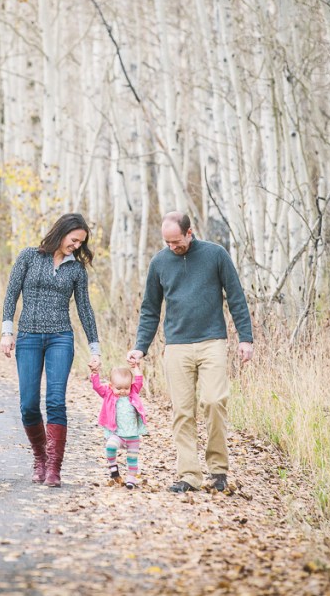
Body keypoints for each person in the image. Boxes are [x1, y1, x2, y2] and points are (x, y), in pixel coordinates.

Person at [127, 211, 254, 493]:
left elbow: (236, 297)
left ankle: (218, 470)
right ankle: (189, 475)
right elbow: (150, 309)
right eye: (167, 242)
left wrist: (245, 337)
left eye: (176, 241)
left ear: (189, 232)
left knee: (213, 402)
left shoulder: (215, 255)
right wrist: (140, 347)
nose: (172, 247)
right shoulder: (159, 262)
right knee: (182, 412)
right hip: (177, 346)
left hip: (212, 342)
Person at [0, 212, 101, 487]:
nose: (77, 246)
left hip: (60, 338)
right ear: (62, 232)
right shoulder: (29, 257)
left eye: (81, 243)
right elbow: (11, 294)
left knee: (56, 401)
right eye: (74, 240)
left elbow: (85, 309)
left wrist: (95, 349)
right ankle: (40, 457)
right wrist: (7, 332)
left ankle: (54, 467)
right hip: (29, 337)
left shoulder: (76, 270)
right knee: (29, 405)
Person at [90, 364, 148, 489]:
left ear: (131, 385)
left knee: (132, 459)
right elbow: (97, 387)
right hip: (117, 433)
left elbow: (139, 380)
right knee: (110, 447)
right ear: (111, 386)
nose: (123, 390)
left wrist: (136, 368)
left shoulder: (133, 391)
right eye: (119, 388)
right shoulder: (108, 393)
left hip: (133, 435)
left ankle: (131, 480)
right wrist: (95, 374)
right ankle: (113, 467)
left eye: (126, 387)